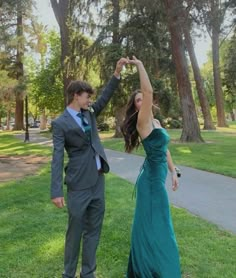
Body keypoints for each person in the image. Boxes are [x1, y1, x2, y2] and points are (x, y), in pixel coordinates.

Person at [50, 57, 128, 278]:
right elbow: (57, 157)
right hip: (78, 185)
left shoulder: (90, 113)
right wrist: (56, 191)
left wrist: (116, 73)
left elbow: (105, 97)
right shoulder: (60, 123)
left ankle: (88, 273)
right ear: (76, 95)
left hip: (97, 181)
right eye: (87, 97)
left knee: (93, 230)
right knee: (75, 232)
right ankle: (68, 273)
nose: (89, 100)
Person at [121, 56, 181, 277]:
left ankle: (155, 266)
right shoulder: (143, 122)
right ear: (136, 106)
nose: (141, 102)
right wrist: (140, 66)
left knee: (158, 224)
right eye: (137, 100)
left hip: (156, 178)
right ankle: (147, 270)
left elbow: (164, 148)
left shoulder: (155, 122)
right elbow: (148, 92)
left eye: (141, 100)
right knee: (153, 225)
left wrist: (174, 171)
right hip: (151, 184)